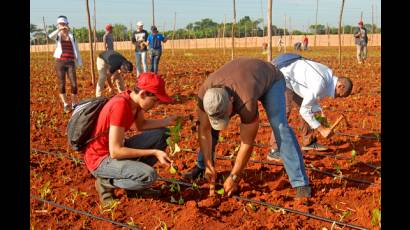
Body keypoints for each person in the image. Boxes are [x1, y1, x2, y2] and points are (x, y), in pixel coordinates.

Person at [183, 57, 311, 198]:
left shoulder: (246, 101)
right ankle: (202, 167)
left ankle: (300, 182)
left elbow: (247, 142)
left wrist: (234, 177)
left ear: (231, 101)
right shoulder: (204, 94)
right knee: (210, 128)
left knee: (279, 126)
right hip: (245, 78)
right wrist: (208, 164)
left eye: (226, 115)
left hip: (271, 79)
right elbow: (204, 131)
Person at [84, 72, 177, 207]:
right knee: (149, 176)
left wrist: (167, 121)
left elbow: (141, 125)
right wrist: (154, 152)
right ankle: (105, 182)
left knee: (163, 134)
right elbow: (115, 151)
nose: (156, 105)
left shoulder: (134, 102)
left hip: (115, 150)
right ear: (143, 94)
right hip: (100, 159)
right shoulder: (120, 106)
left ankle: (134, 188)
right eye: (155, 100)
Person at [266, 53, 353, 162]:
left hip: (293, 77)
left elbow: (310, 101)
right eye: (340, 94)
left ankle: (308, 142)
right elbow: (304, 110)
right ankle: (274, 150)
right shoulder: (321, 83)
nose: (337, 98)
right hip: (283, 75)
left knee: (307, 104)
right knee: (285, 110)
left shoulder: (327, 76)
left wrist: (322, 119)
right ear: (340, 86)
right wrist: (322, 130)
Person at [48, 15, 82, 113]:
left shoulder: (72, 36)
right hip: (60, 62)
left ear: (67, 24)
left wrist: (79, 62)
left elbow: (77, 50)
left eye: (64, 24)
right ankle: (65, 104)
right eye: (61, 24)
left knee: (74, 84)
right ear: (58, 25)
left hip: (71, 62)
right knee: (62, 84)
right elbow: (50, 36)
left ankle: (74, 103)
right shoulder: (57, 36)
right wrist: (59, 30)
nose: (63, 26)